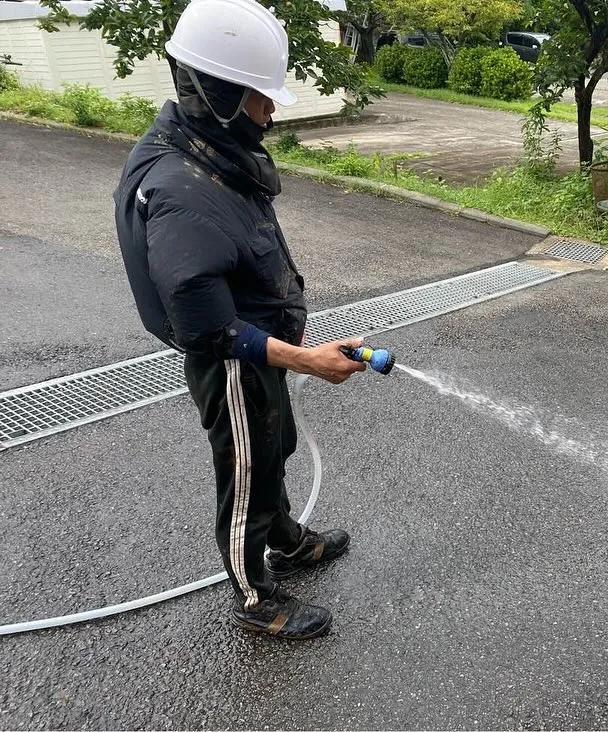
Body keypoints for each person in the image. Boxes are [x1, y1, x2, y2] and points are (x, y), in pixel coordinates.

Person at [114, 0, 366, 640]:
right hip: (234, 359)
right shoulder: (179, 191)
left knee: (275, 445)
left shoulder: (213, 150)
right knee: (247, 469)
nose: (271, 111)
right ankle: (254, 596)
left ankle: (286, 538)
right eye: (261, 98)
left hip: (263, 348)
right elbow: (210, 329)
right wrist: (310, 358)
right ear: (219, 93)